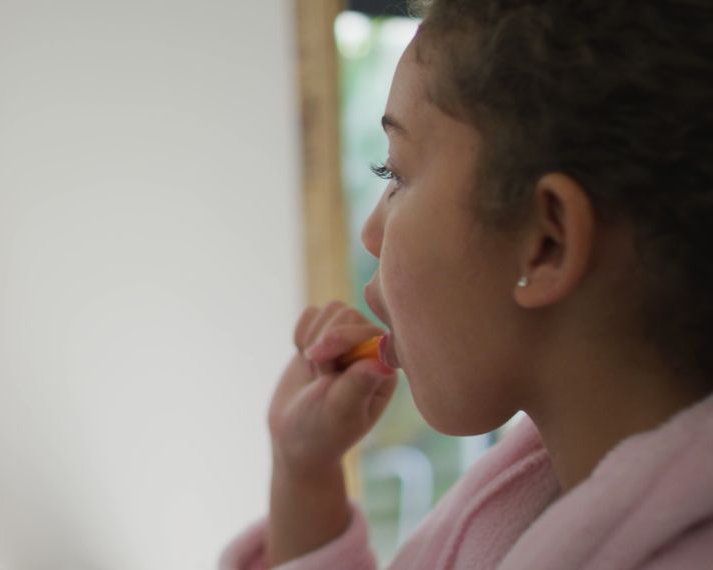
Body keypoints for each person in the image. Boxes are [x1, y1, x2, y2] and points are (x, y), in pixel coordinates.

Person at [222, 0, 713, 568]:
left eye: (396, 174)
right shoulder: (529, 506)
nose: (370, 233)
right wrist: (302, 475)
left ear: (546, 241)